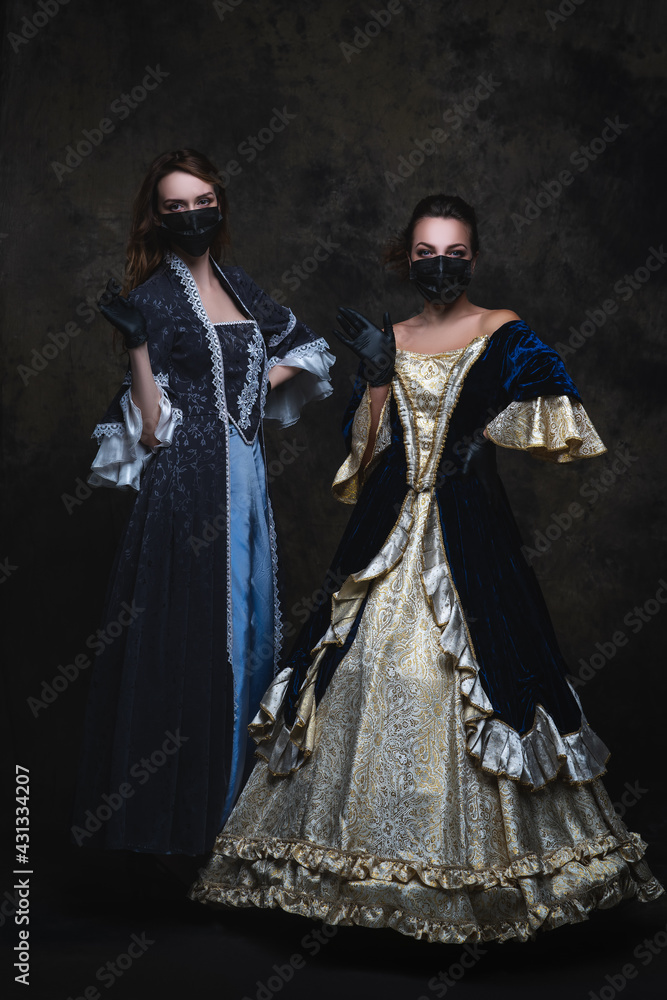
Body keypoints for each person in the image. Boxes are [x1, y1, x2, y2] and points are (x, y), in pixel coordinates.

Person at [188, 194, 664, 942]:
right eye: (423, 251)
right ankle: (348, 876)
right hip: (386, 532)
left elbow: (558, 410)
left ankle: (481, 885)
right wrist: (377, 378)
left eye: (452, 251)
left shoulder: (503, 332)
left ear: (472, 257)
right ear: (403, 257)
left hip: (470, 538)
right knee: (364, 673)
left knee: (464, 678)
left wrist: (487, 434)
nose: (438, 264)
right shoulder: (392, 336)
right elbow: (366, 453)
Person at [70, 149, 334, 857]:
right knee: (195, 643)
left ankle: (240, 828)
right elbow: (153, 429)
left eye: (202, 201)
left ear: (220, 204)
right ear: (156, 218)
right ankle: (187, 834)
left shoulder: (240, 285)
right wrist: (135, 347)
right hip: (186, 492)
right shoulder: (153, 298)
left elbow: (303, 348)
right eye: (175, 206)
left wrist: (253, 385)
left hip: (244, 480)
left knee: (249, 637)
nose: (191, 215)